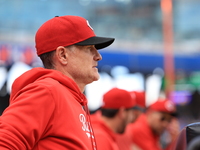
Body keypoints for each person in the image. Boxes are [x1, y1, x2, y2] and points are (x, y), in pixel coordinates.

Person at [0, 15, 114, 150]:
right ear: (62, 55)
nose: (98, 56)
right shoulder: (47, 91)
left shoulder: (67, 97)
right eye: (89, 48)